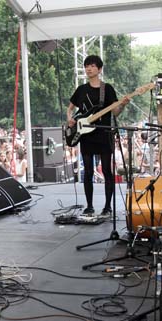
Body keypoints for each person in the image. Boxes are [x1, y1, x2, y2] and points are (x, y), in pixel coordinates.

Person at [67, 55, 129, 216]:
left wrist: (121, 105)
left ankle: (108, 206)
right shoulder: (81, 89)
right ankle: (89, 206)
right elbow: (70, 108)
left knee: (107, 171)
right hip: (86, 135)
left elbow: (115, 112)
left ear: (99, 69)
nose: (89, 68)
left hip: (104, 133)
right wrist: (70, 119)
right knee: (87, 171)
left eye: (93, 66)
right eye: (87, 65)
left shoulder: (107, 89)